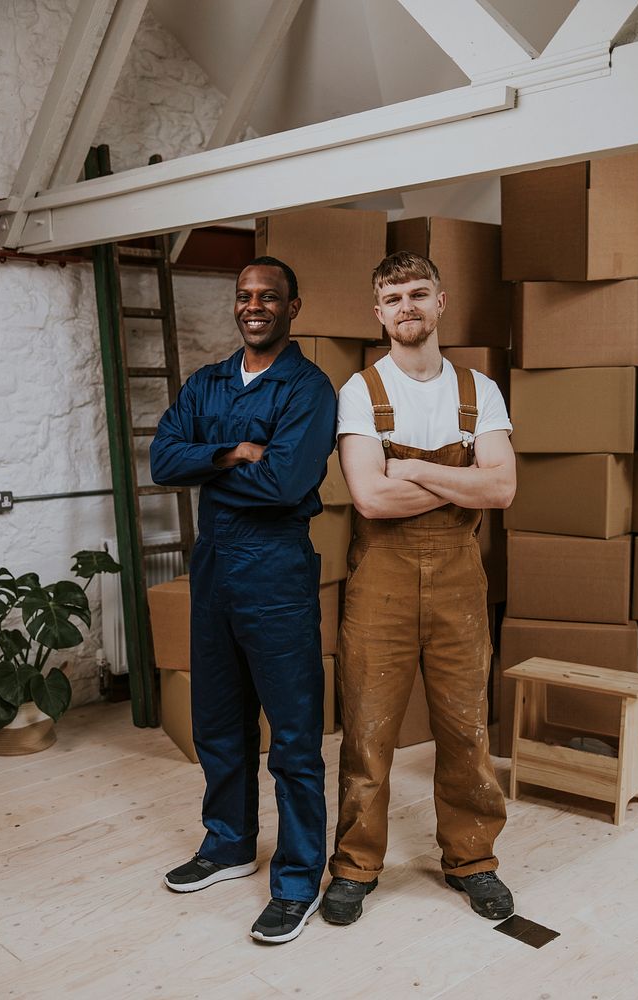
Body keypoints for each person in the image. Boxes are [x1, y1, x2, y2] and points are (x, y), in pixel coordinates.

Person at [321, 250, 516, 926]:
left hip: (459, 577)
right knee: (369, 729)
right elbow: (370, 501)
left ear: (441, 303)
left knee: (465, 727)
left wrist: (411, 470)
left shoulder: (479, 390)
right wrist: (453, 482)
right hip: (382, 577)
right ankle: (354, 865)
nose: (407, 305)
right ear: (378, 312)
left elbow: (503, 487)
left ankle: (472, 860)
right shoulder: (360, 390)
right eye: (393, 296)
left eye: (419, 292)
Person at [150, 256, 337, 945]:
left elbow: (286, 484)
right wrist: (232, 452)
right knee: (219, 722)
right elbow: (162, 460)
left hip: (277, 572)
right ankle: (228, 844)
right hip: (215, 570)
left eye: (269, 297)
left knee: (291, 736)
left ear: (293, 307)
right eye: (244, 296)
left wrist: (209, 462)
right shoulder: (208, 382)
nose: (253, 306)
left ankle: (296, 882)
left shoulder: (309, 388)